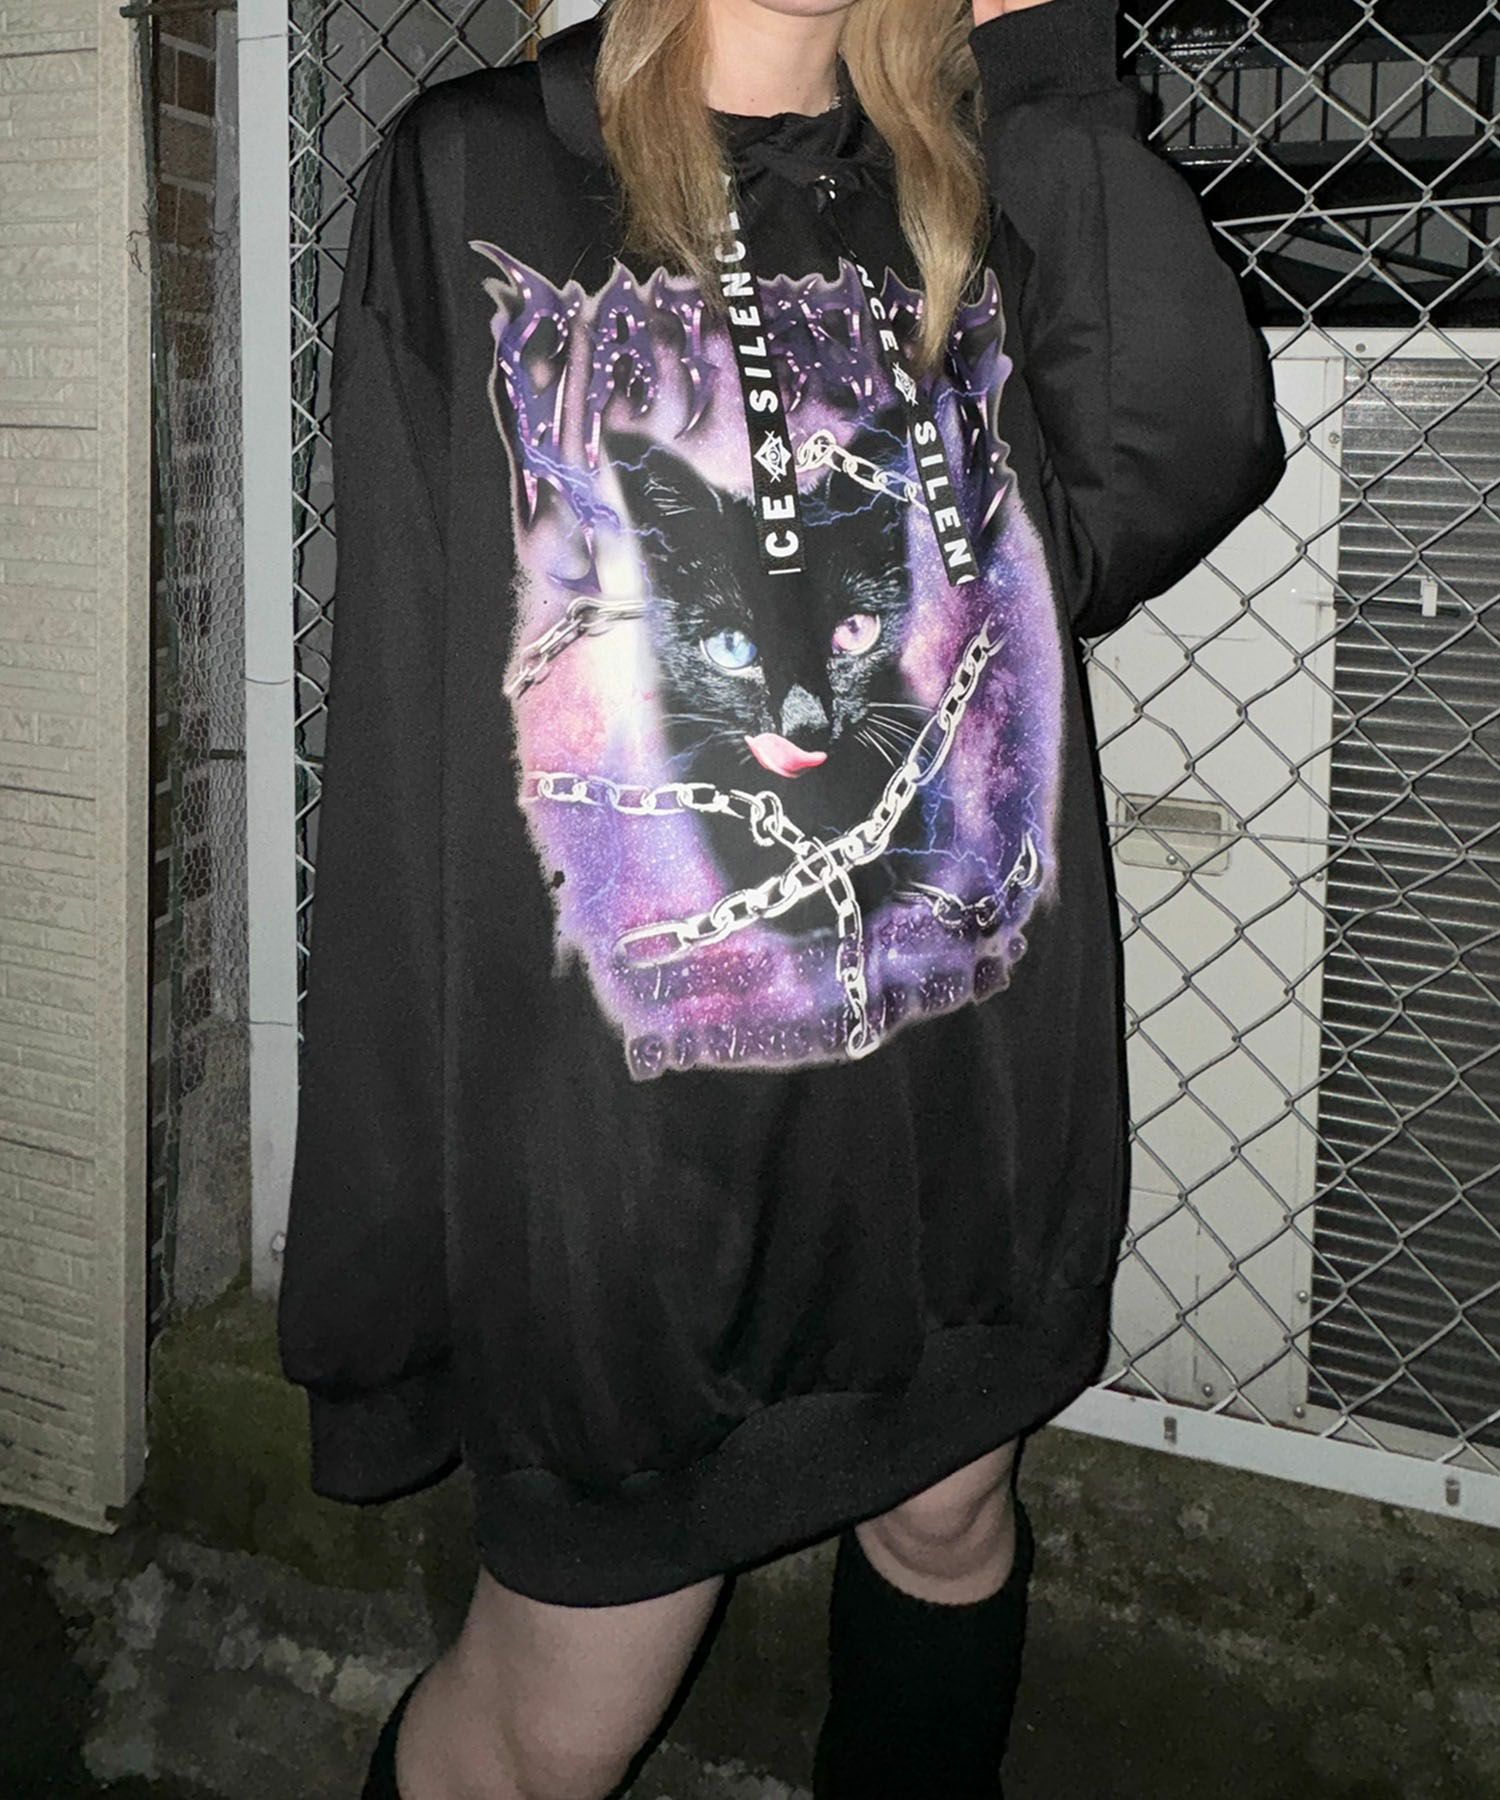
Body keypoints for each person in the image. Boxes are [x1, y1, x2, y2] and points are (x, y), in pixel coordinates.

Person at [275, 0, 1285, 1793]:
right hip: (638, 1172)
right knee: (547, 1728)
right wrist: (403, 1248)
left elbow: (1164, 462)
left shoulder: (971, 183)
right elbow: (407, 742)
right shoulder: (481, 169)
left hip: (963, 1106)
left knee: (949, 1528)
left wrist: (1044, 60)